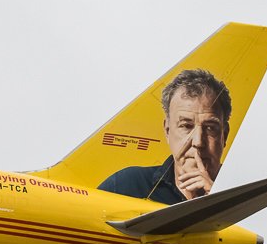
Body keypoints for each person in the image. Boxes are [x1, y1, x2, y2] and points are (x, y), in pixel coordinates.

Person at [98, 68, 231, 204]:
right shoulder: (126, 187)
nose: (198, 142)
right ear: (167, 131)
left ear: (224, 135)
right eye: (186, 126)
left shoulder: (247, 196)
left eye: (210, 128)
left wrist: (222, 202)